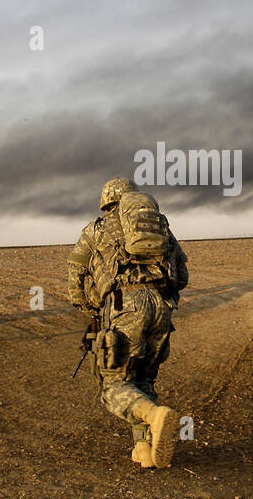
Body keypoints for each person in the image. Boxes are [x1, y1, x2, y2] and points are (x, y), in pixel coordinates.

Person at [68, 177, 189, 468]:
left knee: (114, 386)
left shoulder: (96, 229)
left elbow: (75, 274)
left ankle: (153, 415)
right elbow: (182, 276)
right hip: (162, 305)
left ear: (107, 201)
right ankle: (144, 449)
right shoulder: (161, 228)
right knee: (143, 378)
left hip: (124, 305)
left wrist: (90, 306)